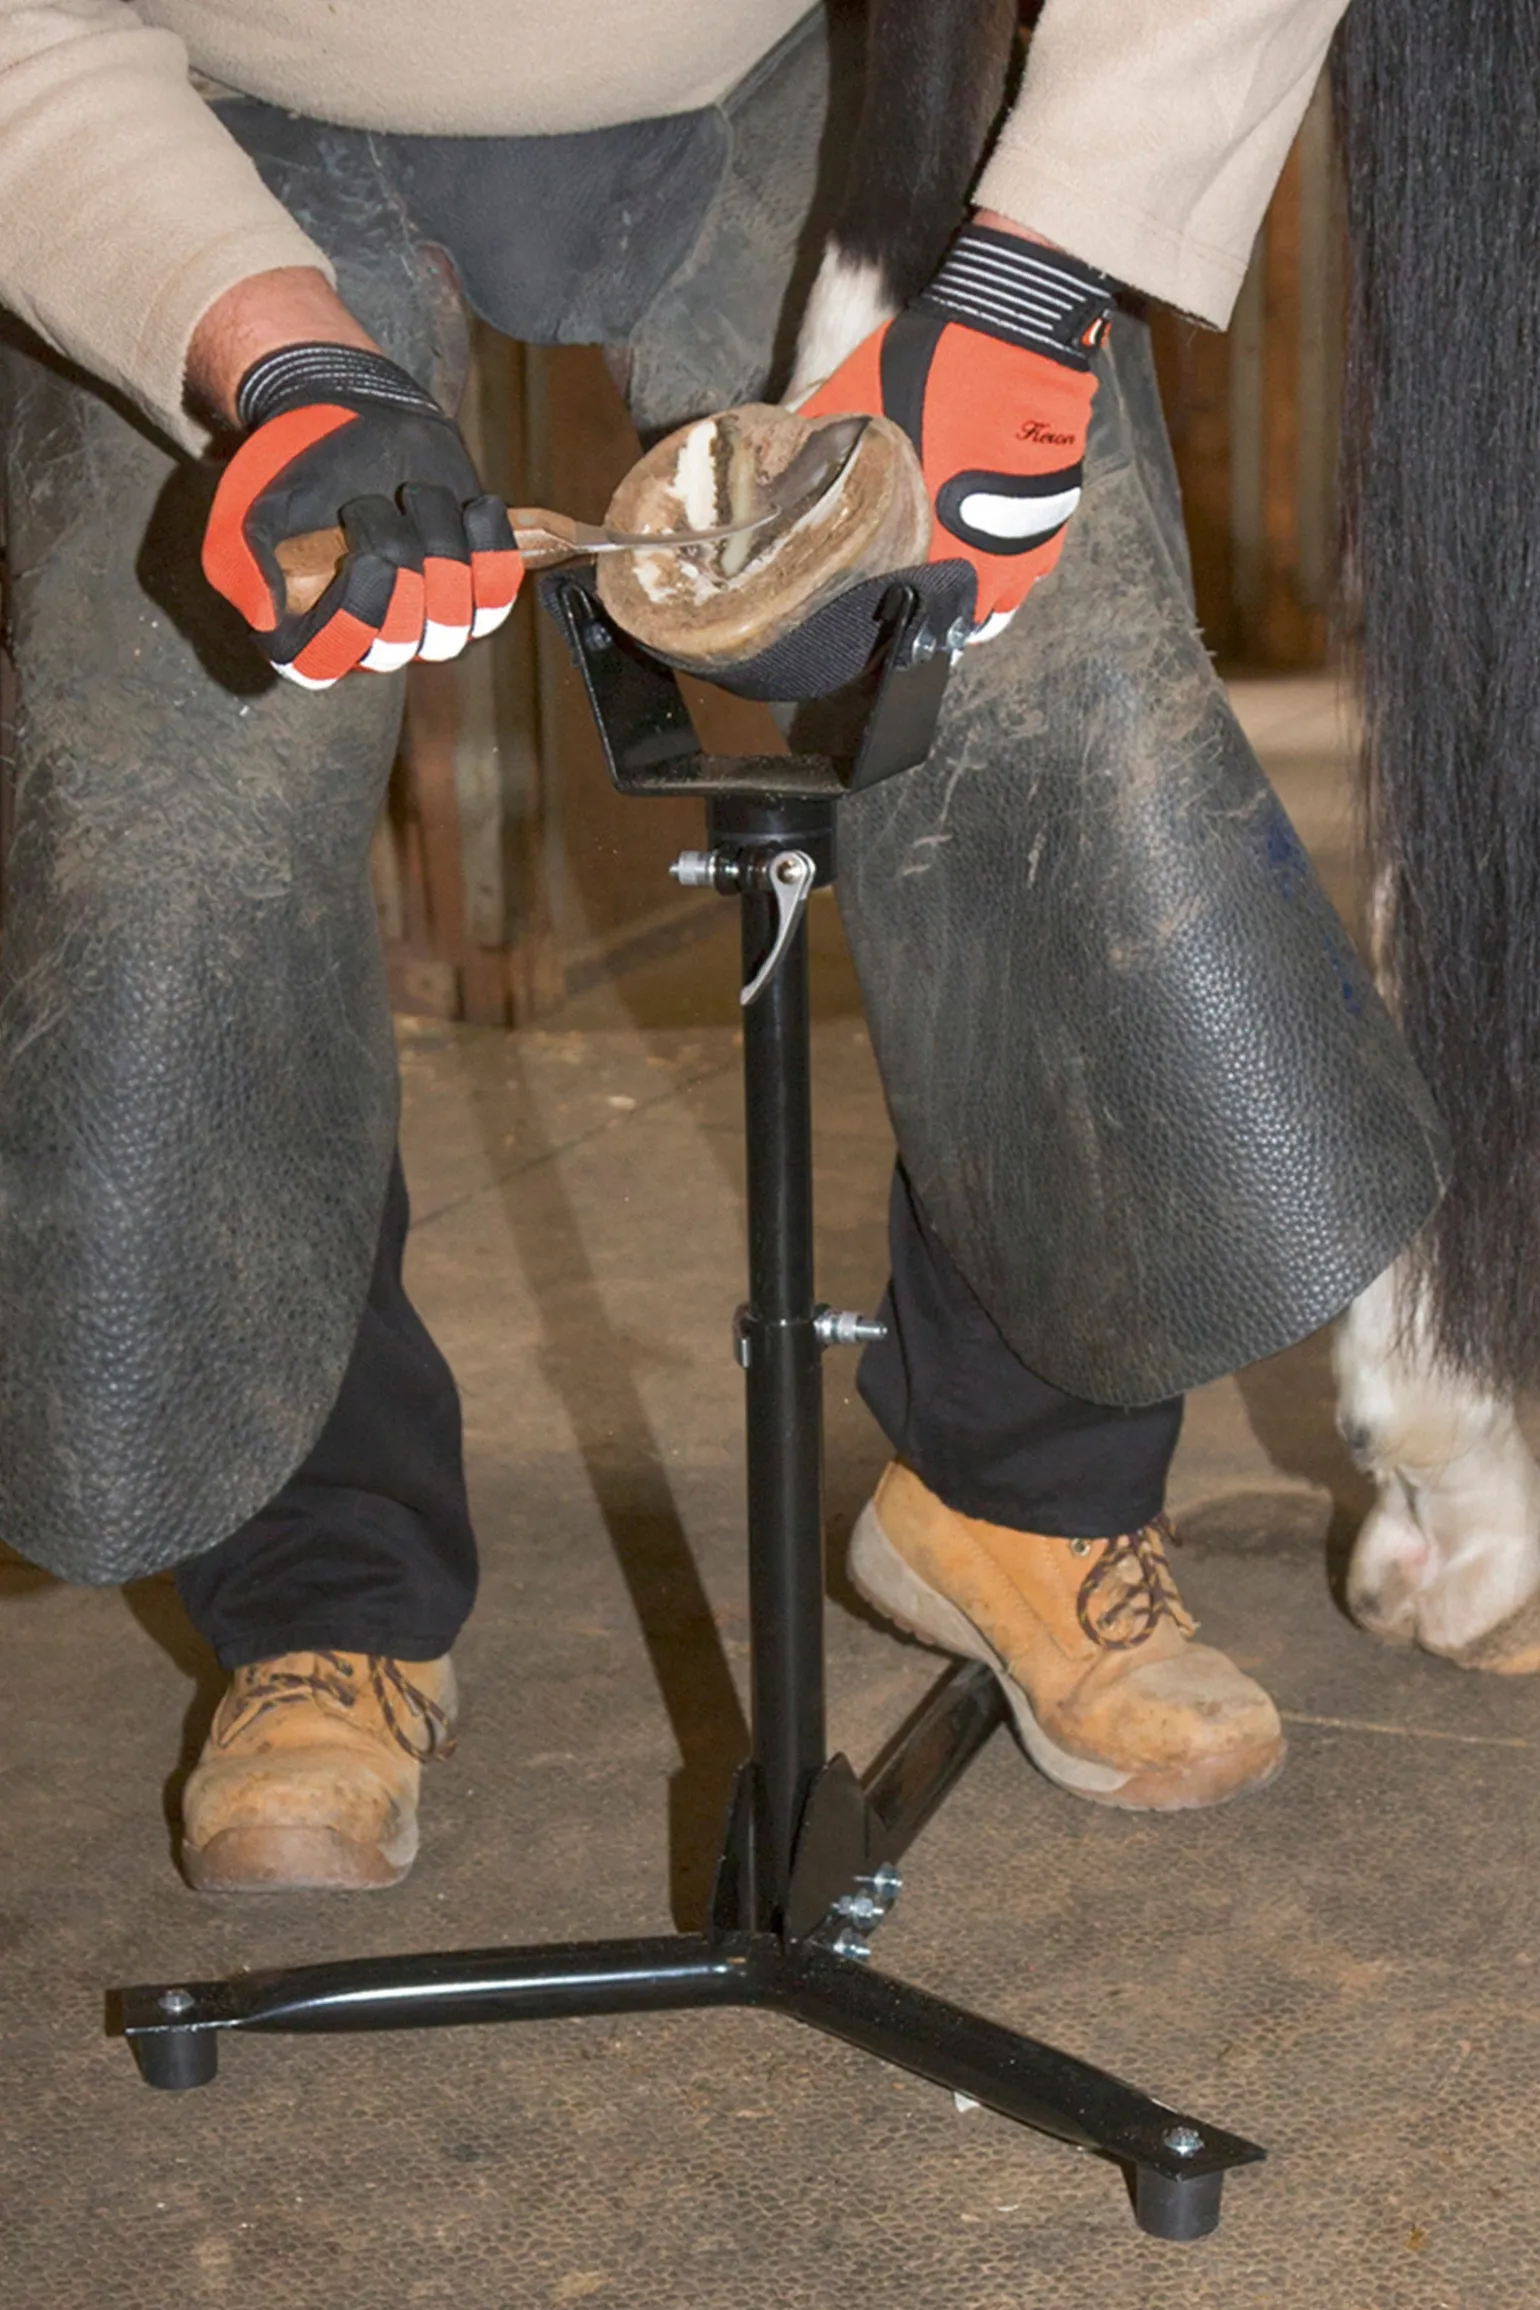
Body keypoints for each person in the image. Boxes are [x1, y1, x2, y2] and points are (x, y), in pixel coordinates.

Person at [0, 0, 1356, 1893]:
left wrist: (1036, 277)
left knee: (1044, 666)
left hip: (794, 51)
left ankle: (1024, 1496)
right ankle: (322, 1593)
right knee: (177, 803)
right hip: (207, 101)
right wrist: (275, 360)